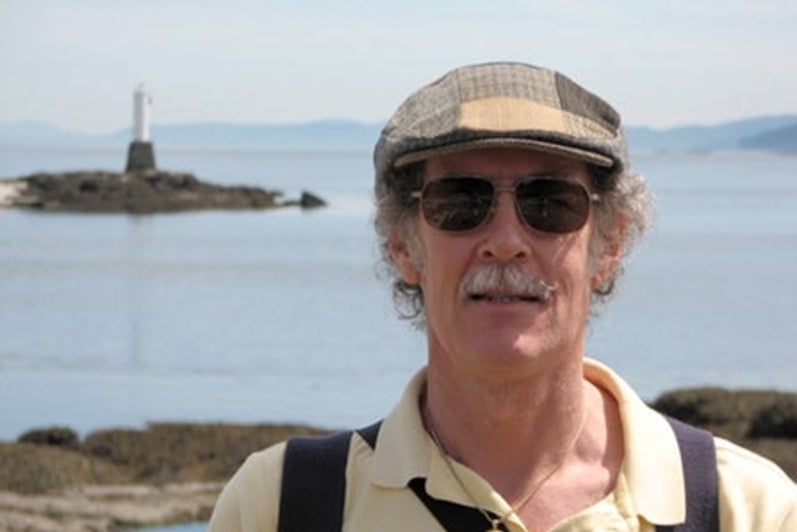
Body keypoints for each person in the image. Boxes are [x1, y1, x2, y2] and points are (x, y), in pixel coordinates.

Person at [209, 61, 796, 531]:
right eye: (461, 202)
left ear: (610, 243)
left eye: (549, 203)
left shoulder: (748, 511)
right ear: (404, 245)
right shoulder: (284, 507)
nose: (506, 242)